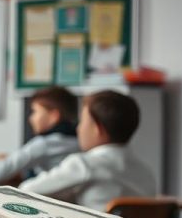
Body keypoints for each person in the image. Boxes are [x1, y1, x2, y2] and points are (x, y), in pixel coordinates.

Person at [20, 90, 155, 211]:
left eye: (82, 121)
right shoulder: (147, 172)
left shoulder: (83, 164)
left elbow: (26, 191)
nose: (78, 128)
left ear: (97, 129)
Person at [0, 86, 79, 183]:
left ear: (53, 116)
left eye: (35, 112)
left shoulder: (44, 144)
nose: (31, 118)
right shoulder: (77, 141)